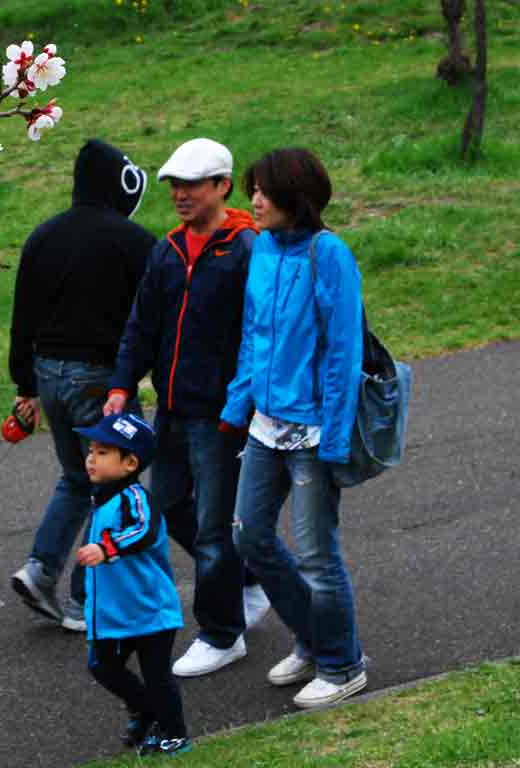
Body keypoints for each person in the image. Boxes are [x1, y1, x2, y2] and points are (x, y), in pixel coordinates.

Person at [105, 137, 269, 678]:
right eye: (175, 184)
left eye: (192, 185)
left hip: (221, 416)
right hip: (171, 410)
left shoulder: (248, 250)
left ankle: (223, 634)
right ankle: (243, 582)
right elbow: (141, 323)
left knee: (213, 528)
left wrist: (239, 406)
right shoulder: (167, 250)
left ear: (222, 186)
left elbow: (258, 335)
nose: (180, 194)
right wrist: (123, 384)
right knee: (169, 509)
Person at [220, 147, 367, 708]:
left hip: (311, 433)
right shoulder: (261, 252)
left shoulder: (328, 255)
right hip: (264, 424)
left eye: (264, 191)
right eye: (252, 188)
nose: (253, 200)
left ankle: (343, 664)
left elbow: (342, 351)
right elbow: (253, 335)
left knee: (316, 554)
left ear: (295, 197)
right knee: (249, 536)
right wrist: (238, 405)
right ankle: (316, 641)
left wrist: (332, 436)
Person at [8, 139, 156, 632]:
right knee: (113, 481)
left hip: (49, 373)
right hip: (102, 380)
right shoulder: (133, 241)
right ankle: (84, 596)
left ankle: (40, 568)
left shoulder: (43, 237)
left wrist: (24, 384)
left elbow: (21, 318)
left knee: (78, 475)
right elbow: (152, 316)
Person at [76, 412, 191, 757]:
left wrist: (105, 548)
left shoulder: (135, 498)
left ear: (130, 463)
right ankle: (145, 710)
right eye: (91, 450)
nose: (91, 458)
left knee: (158, 676)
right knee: (102, 666)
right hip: (114, 613)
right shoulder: (101, 497)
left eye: (102, 452)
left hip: (149, 610)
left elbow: (143, 530)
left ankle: (175, 733)